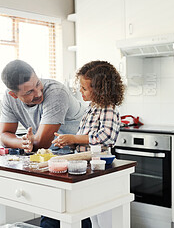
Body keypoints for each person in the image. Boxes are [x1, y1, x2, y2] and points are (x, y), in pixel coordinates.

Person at [0, 59, 91, 228]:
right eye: (29, 92)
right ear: (14, 95)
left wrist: (28, 143)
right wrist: (23, 143)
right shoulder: (8, 98)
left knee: (73, 212)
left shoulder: (56, 92)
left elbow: (42, 142)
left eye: (38, 84)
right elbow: (4, 135)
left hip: (79, 152)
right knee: (53, 211)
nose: (38, 93)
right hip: (51, 156)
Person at [52, 60, 124, 228]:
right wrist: (69, 142)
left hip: (101, 168)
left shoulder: (108, 108)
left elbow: (107, 136)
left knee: (105, 215)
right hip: (89, 168)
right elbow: (83, 136)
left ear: (100, 90)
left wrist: (75, 139)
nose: (80, 91)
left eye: (84, 88)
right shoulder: (91, 108)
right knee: (93, 214)